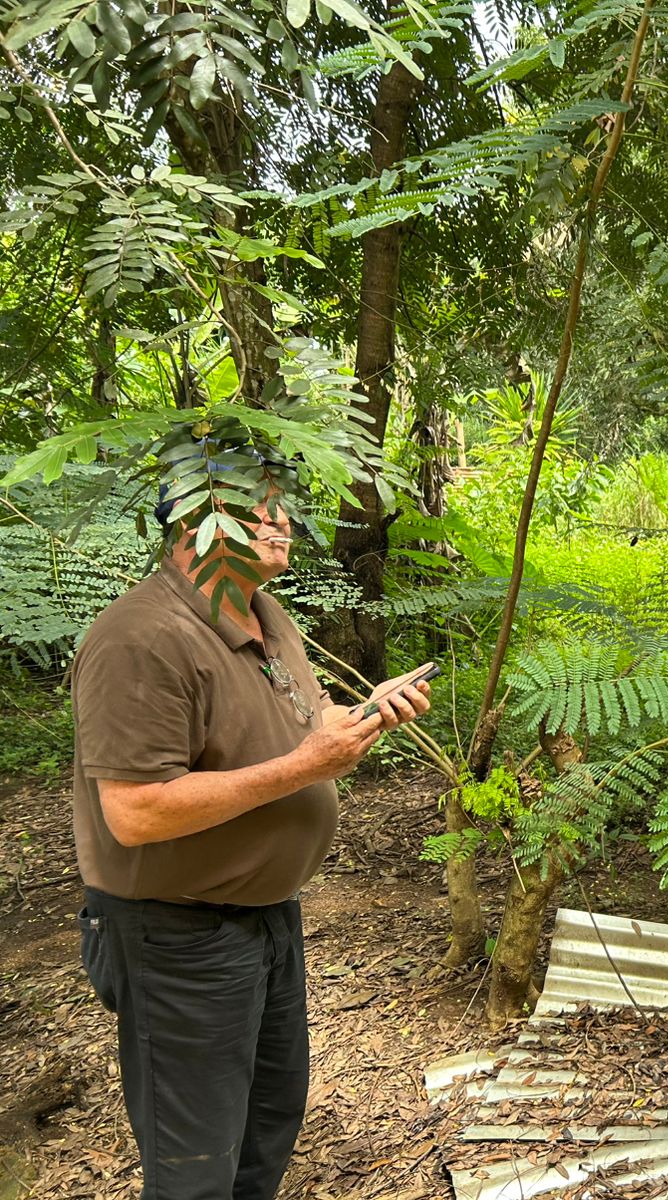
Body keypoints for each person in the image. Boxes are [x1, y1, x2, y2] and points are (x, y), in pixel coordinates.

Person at [71, 459, 434, 1200]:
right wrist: (307, 765)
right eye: (255, 511)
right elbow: (136, 811)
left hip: (268, 920)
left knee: (267, 1125)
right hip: (176, 935)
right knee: (195, 1161)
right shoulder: (141, 638)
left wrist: (358, 718)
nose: (282, 525)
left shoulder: (265, 615)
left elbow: (297, 731)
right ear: (189, 522)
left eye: (282, 511)